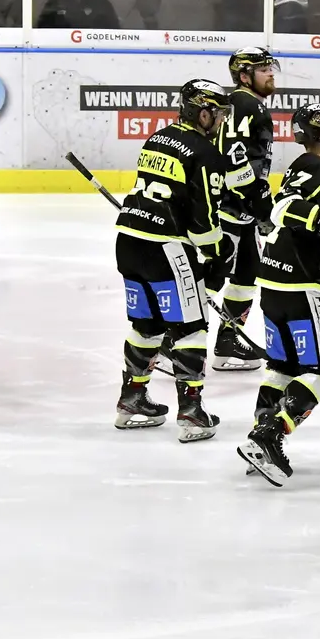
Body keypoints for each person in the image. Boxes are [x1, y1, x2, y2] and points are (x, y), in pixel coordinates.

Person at [237, 103, 320, 484]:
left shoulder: (301, 167)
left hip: (276, 281)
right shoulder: (319, 168)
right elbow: (285, 209)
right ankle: (269, 434)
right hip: (302, 285)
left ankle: (256, 441)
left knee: (282, 367)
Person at [112, 79, 230, 441]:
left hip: (129, 241)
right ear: (202, 112)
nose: (222, 122)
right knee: (190, 327)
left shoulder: (158, 138)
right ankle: (192, 411)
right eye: (218, 114)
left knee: (146, 325)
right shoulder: (207, 153)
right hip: (167, 248)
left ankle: (131, 398)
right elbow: (204, 218)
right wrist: (215, 255)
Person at [211, 46, 281, 371]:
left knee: (246, 273)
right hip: (229, 207)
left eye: (271, 68)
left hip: (240, 208)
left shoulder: (240, 104)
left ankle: (228, 339)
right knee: (212, 276)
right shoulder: (247, 104)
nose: (271, 74)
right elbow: (233, 155)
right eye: (263, 69)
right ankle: (174, 340)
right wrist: (255, 197)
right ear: (244, 75)